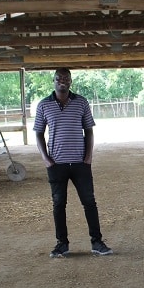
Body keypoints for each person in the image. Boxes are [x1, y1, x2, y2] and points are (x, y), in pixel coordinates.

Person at [34, 68, 113, 258]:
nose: (62, 81)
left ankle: (97, 242)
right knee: (59, 204)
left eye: (66, 78)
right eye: (58, 78)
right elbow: (38, 132)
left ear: (70, 81)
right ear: (53, 81)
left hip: (80, 163)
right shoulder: (44, 105)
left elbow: (89, 131)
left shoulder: (81, 102)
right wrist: (46, 159)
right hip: (56, 164)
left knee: (89, 202)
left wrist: (88, 158)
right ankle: (62, 244)